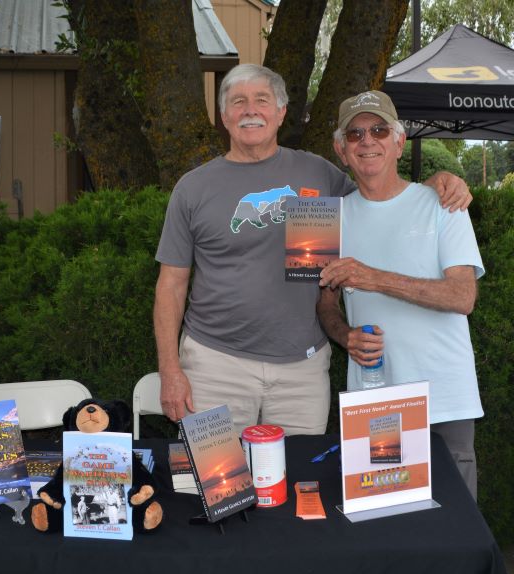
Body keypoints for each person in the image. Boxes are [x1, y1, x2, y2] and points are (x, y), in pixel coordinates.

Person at [154, 63, 471, 435]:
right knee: (211, 489)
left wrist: (433, 186)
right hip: (213, 366)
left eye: (262, 100)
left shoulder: (318, 175)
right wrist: (170, 371)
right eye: (238, 101)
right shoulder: (192, 189)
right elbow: (170, 285)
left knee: (298, 484)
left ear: (281, 112)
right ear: (224, 115)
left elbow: (380, 193)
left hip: (300, 375)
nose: (251, 110)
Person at [317, 90, 484, 498]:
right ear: (341, 150)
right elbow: (325, 305)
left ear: (398, 141)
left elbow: (463, 296)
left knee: (456, 535)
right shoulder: (330, 220)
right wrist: (344, 335)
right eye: (354, 134)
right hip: (376, 399)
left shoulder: (443, 203)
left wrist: (373, 278)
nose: (367, 141)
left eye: (378, 129)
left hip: (445, 396)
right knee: (385, 525)